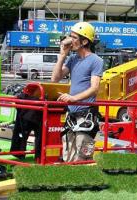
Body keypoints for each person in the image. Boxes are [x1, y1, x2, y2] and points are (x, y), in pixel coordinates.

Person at [51, 22, 104, 162]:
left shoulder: (96, 61)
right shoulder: (73, 59)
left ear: (85, 41)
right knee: (68, 154)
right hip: (72, 115)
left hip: (86, 115)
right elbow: (55, 78)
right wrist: (62, 55)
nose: (70, 40)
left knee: (81, 155)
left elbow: (94, 88)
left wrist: (73, 98)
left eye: (74, 37)